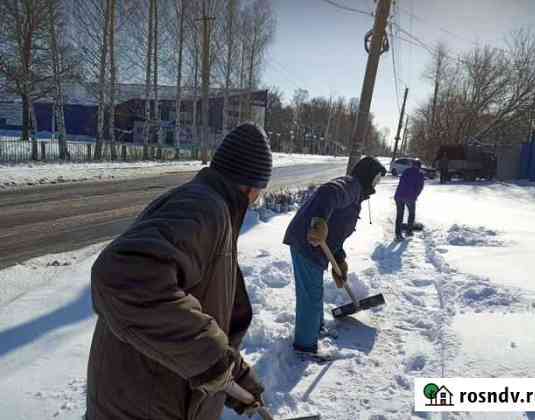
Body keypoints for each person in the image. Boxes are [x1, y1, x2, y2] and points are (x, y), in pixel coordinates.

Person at [86, 123, 272, 420]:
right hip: (143, 404)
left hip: (153, 394)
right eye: (260, 192)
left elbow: (202, 317)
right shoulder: (204, 207)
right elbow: (122, 276)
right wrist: (210, 360)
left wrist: (237, 375)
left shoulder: (206, 203)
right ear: (250, 187)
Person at [283, 156, 386, 356]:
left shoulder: (356, 195)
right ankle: (305, 347)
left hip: (317, 246)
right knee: (310, 295)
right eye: (375, 180)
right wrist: (318, 222)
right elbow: (327, 192)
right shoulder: (351, 185)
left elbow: (337, 231)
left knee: (314, 291)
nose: (376, 185)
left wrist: (339, 259)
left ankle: (316, 329)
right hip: (307, 242)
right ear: (366, 176)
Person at [394, 159, 424, 241]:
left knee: (399, 215)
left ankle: (398, 235)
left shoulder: (406, 171)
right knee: (411, 213)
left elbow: (401, 182)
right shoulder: (420, 174)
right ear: (419, 166)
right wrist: (415, 196)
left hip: (398, 196)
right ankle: (409, 231)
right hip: (409, 197)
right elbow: (420, 188)